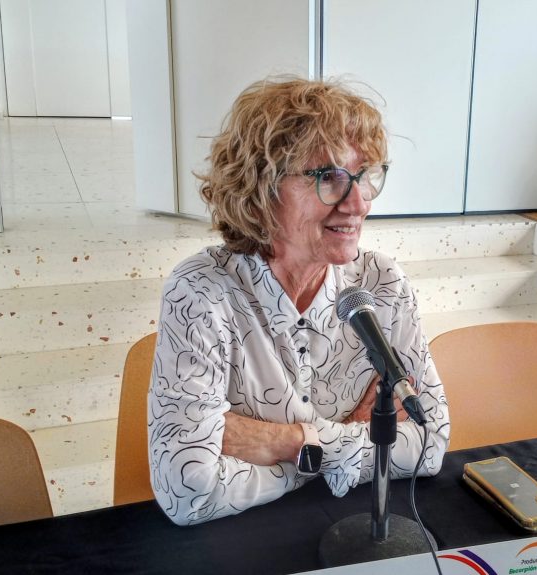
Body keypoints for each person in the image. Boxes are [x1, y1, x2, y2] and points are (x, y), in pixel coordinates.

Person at [148, 77, 451, 526]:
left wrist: (285, 442)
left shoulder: (381, 283)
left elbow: (428, 445)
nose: (357, 204)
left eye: (365, 175)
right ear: (261, 191)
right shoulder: (201, 293)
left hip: (353, 528)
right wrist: (356, 437)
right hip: (241, 545)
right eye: (329, 178)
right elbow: (187, 487)